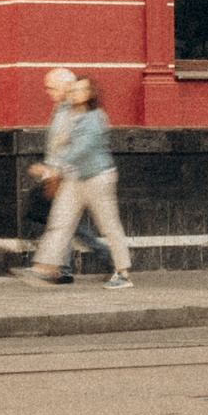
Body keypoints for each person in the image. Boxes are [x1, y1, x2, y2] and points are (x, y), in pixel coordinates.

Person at [15, 75, 133, 289]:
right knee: (59, 222)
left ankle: (123, 273)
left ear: (89, 94)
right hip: (74, 178)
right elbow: (60, 145)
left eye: (80, 90)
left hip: (98, 178)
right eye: (74, 90)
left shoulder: (95, 117)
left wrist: (51, 168)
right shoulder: (68, 114)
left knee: (109, 227)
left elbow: (81, 149)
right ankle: (44, 268)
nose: (75, 94)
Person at [24, 68, 107, 281]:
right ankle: (68, 266)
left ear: (66, 86)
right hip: (57, 172)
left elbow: (73, 146)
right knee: (63, 221)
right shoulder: (61, 108)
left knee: (62, 222)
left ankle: (70, 266)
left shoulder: (74, 111)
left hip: (69, 174)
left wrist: (55, 172)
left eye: (52, 87)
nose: (48, 92)